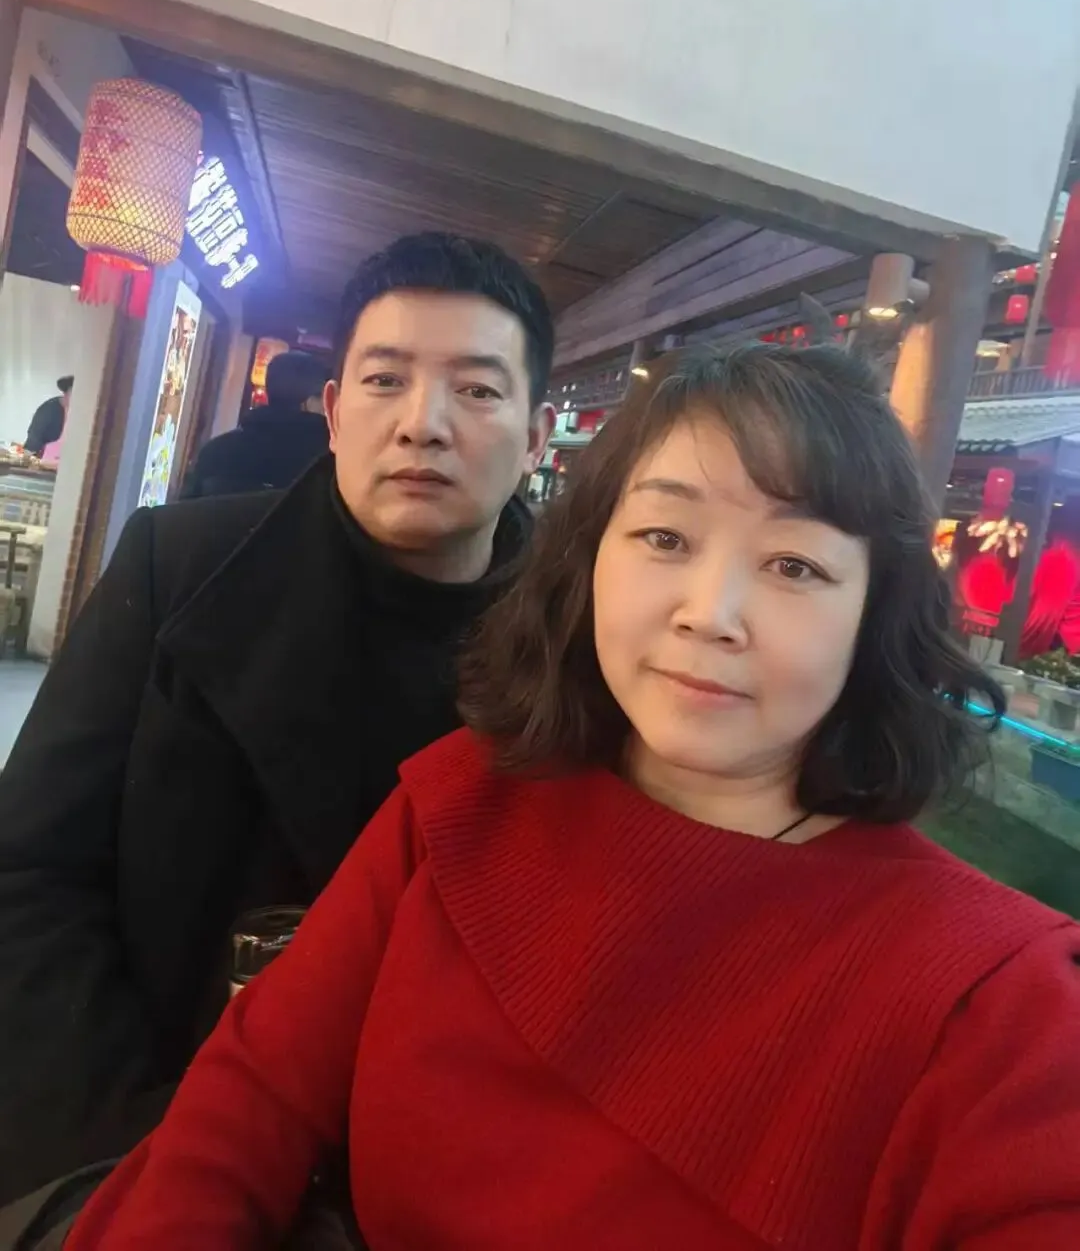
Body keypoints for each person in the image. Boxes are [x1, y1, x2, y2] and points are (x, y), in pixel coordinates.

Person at [59, 344, 1080, 1251]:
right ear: (589, 559)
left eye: (794, 563)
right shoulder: (462, 805)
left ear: (875, 614)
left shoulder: (997, 1000)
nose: (710, 613)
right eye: (666, 538)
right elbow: (247, 1105)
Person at [0, 232, 555, 1208]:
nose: (423, 425)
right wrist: (133, 1168)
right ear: (334, 411)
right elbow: (30, 872)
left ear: (538, 436)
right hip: (137, 1138)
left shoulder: (586, 651)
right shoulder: (179, 567)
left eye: (476, 389)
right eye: (385, 380)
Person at [179, 350, 330, 499]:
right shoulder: (326, 464)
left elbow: (186, 508)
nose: (327, 407)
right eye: (323, 399)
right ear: (307, 403)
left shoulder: (215, 451)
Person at [23, 376, 73, 457]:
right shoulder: (48, 409)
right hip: (43, 456)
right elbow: (34, 438)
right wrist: (29, 456)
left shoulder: (80, 412)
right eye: (73, 393)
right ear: (65, 393)